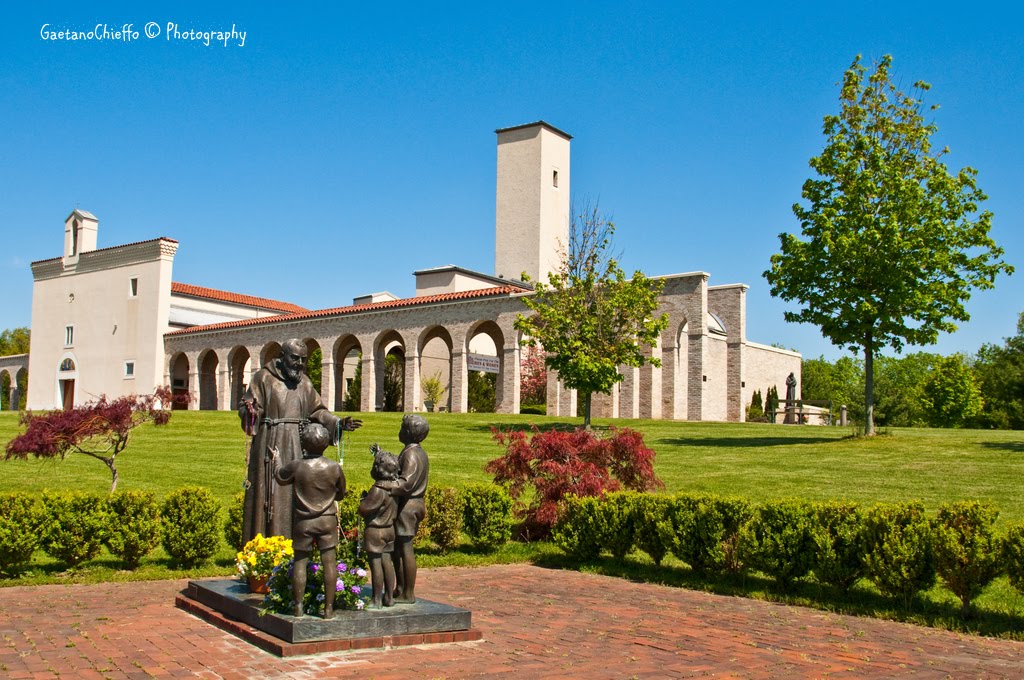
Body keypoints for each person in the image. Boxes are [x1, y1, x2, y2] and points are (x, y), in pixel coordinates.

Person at [239, 338, 361, 545]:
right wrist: (250, 412)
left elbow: (318, 411)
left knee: (297, 491)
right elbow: (248, 408)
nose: (299, 364)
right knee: (271, 491)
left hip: (298, 444)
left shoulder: (304, 382)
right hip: (271, 443)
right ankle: (266, 547)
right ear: (282, 357)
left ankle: (297, 547)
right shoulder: (263, 378)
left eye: (303, 360)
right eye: (295, 358)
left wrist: (338, 424)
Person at [273, 423, 346, 618]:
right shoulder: (334, 467)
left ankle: (298, 607)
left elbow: (280, 477)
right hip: (327, 520)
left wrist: (277, 460)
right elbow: (341, 494)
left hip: (303, 521)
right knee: (329, 562)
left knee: (300, 562)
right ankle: (328, 609)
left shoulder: (298, 465)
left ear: (304, 443)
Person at [389, 414, 429, 604]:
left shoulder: (412, 454)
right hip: (410, 504)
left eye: (401, 428)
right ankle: (401, 588)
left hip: (408, 506)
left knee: (405, 548)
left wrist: (385, 485)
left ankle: (408, 593)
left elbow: (406, 483)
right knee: (398, 549)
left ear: (406, 432)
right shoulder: (412, 451)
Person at [358, 445, 400, 609]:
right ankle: (389, 597)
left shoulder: (377, 490)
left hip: (376, 530)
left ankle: (376, 598)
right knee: (387, 562)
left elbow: (365, 510)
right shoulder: (394, 487)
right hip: (390, 529)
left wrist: (363, 501)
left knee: (376, 564)